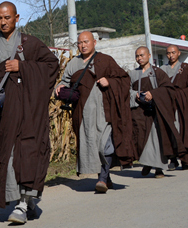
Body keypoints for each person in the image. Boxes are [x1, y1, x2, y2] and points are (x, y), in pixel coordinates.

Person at [0, 2, 58, 223]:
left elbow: (52, 66)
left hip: (31, 111)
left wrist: (23, 67)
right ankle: (27, 201)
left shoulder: (31, 44)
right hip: (5, 112)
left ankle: (21, 204)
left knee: (29, 152)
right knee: (10, 154)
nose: (3, 22)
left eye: (7, 17)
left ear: (16, 18)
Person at [55, 31, 133, 193]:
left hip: (104, 112)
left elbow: (124, 80)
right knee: (92, 146)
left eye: (86, 42)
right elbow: (64, 81)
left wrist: (109, 81)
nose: (83, 45)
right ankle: (106, 178)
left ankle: (102, 179)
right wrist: (60, 87)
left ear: (94, 42)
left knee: (104, 145)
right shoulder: (73, 64)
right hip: (83, 114)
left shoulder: (105, 60)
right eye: (80, 43)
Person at [129, 46, 181, 178]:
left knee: (157, 139)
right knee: (141, 138)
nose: (139, 58)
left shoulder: (158, 72)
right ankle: (147, 163)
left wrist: (154, 94)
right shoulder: (132, 74)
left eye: (142, 55)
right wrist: (135, 94)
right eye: (137, 56)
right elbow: (126, 90)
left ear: (149, 55)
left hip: (157, 111)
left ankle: (158, 169)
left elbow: (169, 90)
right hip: (140, 111)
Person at [160, 45, 188, 169]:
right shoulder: (162, 69)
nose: (170, 55)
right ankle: (173, 158)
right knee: (170, 131)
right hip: (167, 106)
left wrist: (179, 94)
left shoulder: (185, 68)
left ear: (179, 53)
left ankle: (185, 159)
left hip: (182, 106)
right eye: (168, 53)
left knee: (183, 130)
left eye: (173, 52)